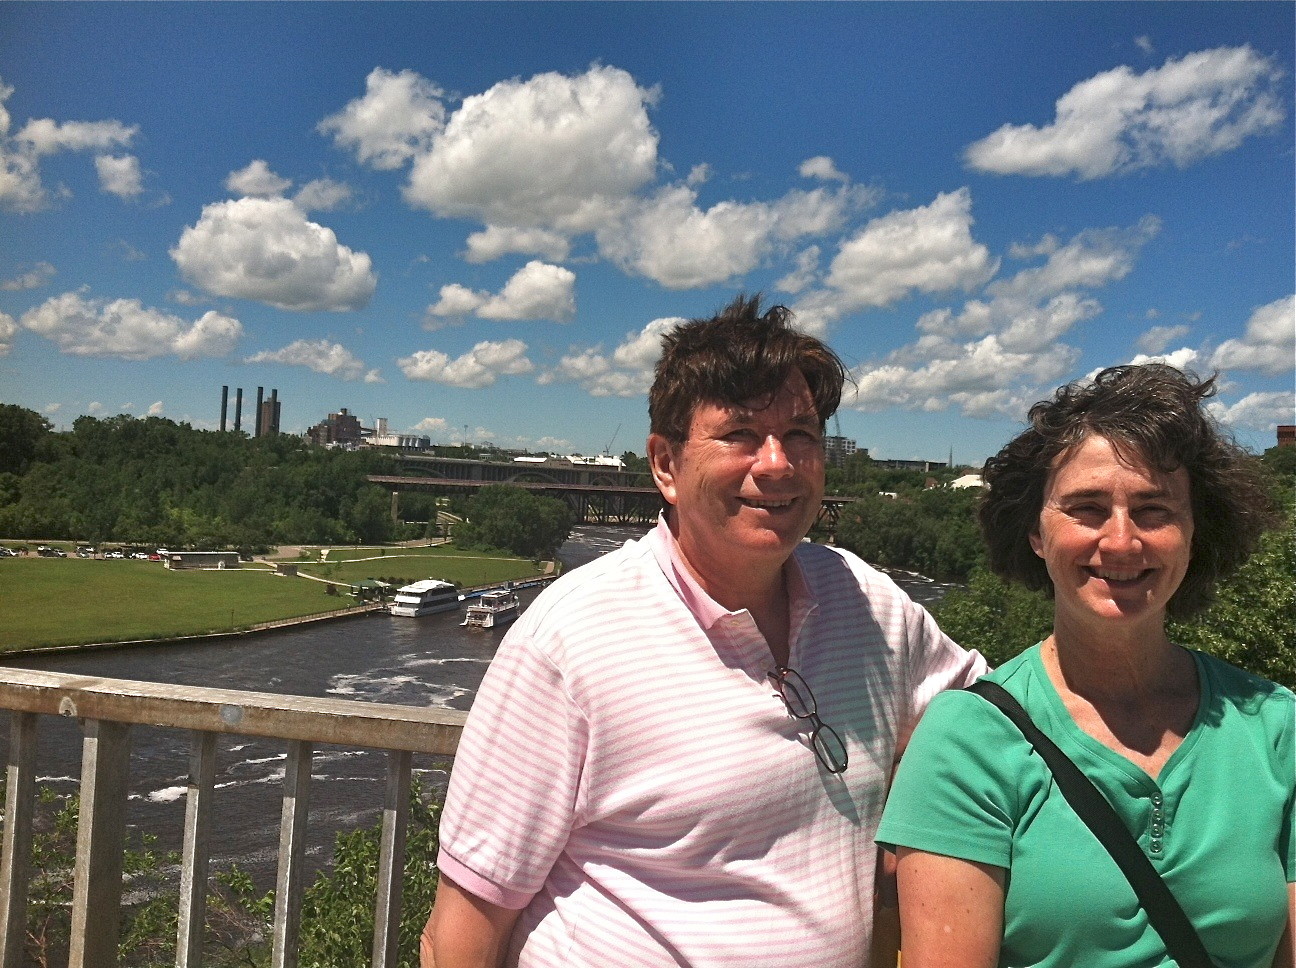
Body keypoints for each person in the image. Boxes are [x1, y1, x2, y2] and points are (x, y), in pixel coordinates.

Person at [421, 295, 988, 968]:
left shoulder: (866, 601)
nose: (777, 463)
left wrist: (922, 825)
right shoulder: (568, 642)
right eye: (740, 434)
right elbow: (460, 935)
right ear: (665, 465)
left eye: (801, 435)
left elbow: (985, 723)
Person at [877, 364, 1294, 968]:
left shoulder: (1275, 727)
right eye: (1087, 509)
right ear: (1036, 534)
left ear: (1195, 531)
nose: (1122, 541)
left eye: (1154, 510)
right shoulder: (968, 743)